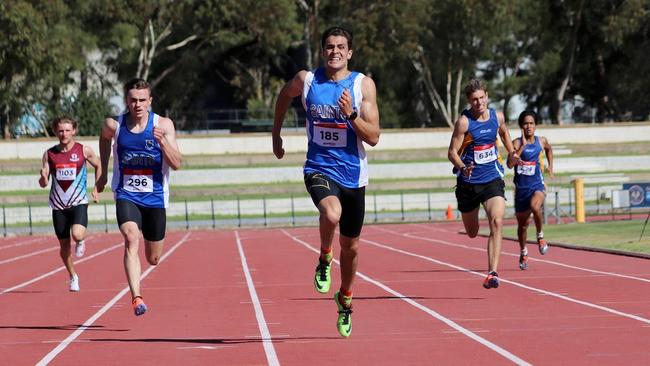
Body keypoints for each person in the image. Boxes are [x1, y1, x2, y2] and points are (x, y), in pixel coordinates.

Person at [272, 26, 380, 337]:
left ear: (350, 53)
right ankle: (323, 255)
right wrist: (276, 134)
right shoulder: (307, 81)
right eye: (329, 46)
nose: (335, 51)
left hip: (353, 175)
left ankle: (345, 299)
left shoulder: (362, 86)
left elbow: (373, 137)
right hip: (318, 167)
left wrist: (350, 115)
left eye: (341, 47)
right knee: (331, 213)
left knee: (353, 248)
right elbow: (283, 96)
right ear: (323, 51)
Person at [96, 78, 182, 316]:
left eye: (142, 100)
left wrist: (163, 142)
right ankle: (136, 297)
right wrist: (102, 171)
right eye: (133, 100)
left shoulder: (163, 125)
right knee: (131, 237)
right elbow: (104, 138)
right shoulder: (115, 125)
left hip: (155, 197)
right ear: (127, 101)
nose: (137, 105)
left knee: (153, 258)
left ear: (150, 101)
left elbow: (177, 164)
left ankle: (147, 260)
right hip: (126, 193)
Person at [447, 78, 518, 289]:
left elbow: (504, 133)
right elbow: (451, 153)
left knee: (497, 221)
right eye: (474, 100)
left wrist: (511, 152)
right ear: (469, 102)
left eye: (481, 98)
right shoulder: (464, 123)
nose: (479, 103)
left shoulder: (498, 117)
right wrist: (462, 167)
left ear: (487, 95)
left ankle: (492, 273)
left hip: (492, 179)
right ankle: (470, 215)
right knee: (472, 232)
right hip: (468, 183)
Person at [39, 116, 101, 292]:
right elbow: (43, 183)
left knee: (77, 234)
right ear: (55, 131)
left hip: (78, 202)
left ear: (74, 130)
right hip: (58, 206)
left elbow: (99, 165)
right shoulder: (49, 154)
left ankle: (81, 241)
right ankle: (73, 276)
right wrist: (43, 178)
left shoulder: (84, 150)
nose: (64, 133)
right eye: (60, 130)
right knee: (64, 248)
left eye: (67, 130)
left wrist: (97, 187)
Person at [508, 110, 554, 270]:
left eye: (531, 123)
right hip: (521, 190)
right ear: (521, 126)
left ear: (535, 125)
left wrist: (550, 167)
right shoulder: (515, 143)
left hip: (537, 186)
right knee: (523, 226)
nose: (529, 126)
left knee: (536, 207)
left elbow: (549, 149)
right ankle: (523, 252)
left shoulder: (541, 141)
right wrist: (522, 148)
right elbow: (509, 164)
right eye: (526, 123)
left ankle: (540, 237)